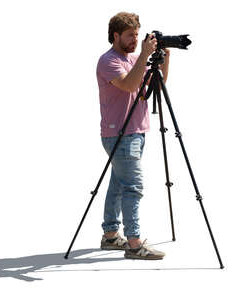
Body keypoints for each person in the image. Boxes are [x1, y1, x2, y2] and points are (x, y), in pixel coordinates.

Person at [96, 12, 170, 260]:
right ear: (115, 35)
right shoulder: (109, 61)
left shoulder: (136, 59)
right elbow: (129, 85)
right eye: (130, 35)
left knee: (118, 185)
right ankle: (134, 243)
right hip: (120, 133)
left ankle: (110, 236)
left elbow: (156, 87)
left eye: (137, 35)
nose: (135, 40)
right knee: (133, 187)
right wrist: (146, 57)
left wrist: (164, 59)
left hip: (136, 132)